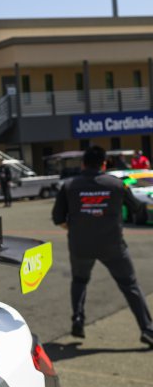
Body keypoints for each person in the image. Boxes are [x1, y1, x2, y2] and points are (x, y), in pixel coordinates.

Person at [52, 145, 153, 345]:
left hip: (81, 245)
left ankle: (78, 319)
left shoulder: (69, 186)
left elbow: (58, 218)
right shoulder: (117, 184)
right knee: (130, 285)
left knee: (80, 281)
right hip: (113, 245)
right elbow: (136, 209)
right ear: (104, 164)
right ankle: (147, 329)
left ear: (83, 164)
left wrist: (77, 228)